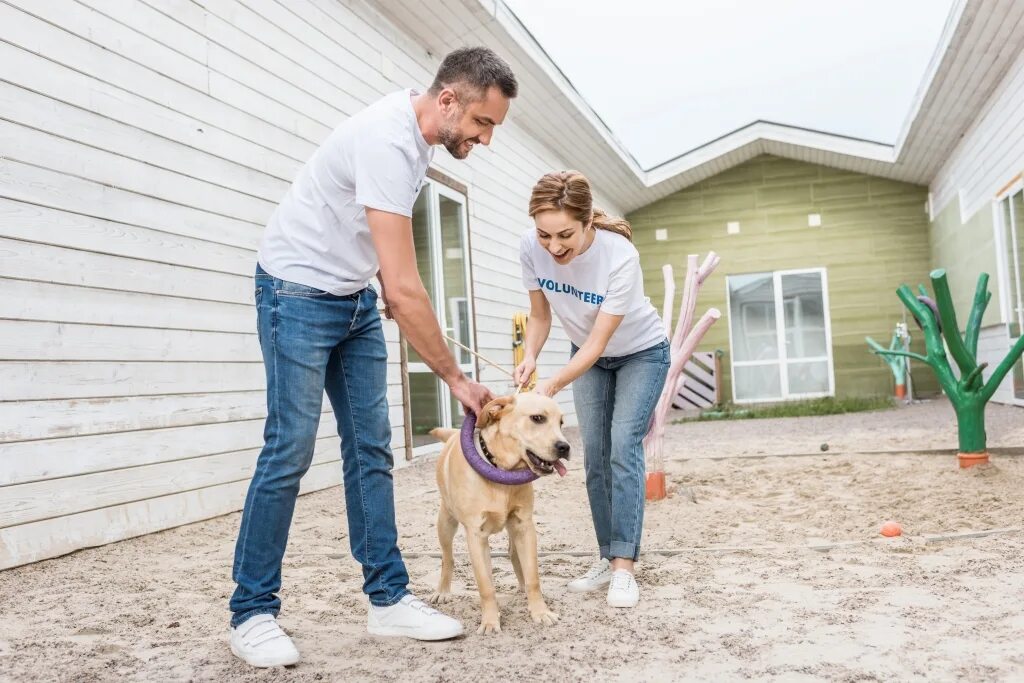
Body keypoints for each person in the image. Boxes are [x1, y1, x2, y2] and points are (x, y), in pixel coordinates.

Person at [229, 47, 518, 668]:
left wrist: (386, 291)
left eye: (492, 126)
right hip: (295, 292)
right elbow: (407, 291)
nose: (486, 138)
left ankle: (387, 599)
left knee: (370, 449)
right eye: (482, 123)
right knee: (290, 449)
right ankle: (251, 612)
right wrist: (457, 380)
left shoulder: (419, 145)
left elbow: (393, 280)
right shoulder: (387, 143)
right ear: (448, 101)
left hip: (352, 297)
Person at [513, 171, 670, 609]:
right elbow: (541, 316)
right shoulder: (531, 247)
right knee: (595, 455)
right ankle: (606, 555)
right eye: (545, 235)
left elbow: (601, 342)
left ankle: (624, 568)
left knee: (623, 445)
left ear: (587, 224)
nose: (554, 246)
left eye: (565, 234)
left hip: (641, 352)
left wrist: (550, 384)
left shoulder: (619, 256)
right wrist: (530, 357)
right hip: (586, 354)